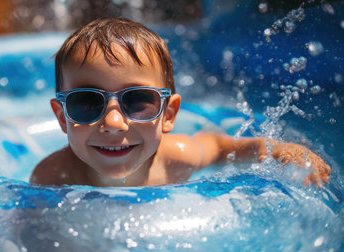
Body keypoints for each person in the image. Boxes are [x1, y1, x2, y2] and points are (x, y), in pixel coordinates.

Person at [30, 17, 330, 187]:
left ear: (169, 113)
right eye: (86, 102)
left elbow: (221, 147)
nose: (112, 123)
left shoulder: (177, 157)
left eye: (137, 101)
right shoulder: (53, 177)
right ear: (61, 117)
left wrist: (278, 149)